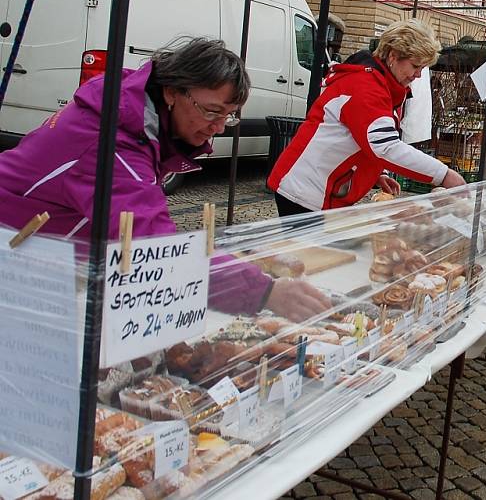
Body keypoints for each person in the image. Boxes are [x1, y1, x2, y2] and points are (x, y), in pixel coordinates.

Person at [0, 38, 329, 321]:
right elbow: (157, 248)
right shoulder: (111, 144)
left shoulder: (137, 122)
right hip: (15, 253)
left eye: (228, 117)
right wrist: (264, 292)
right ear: (172, 92)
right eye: (211, 111)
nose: (217, 126)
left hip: (44, 255)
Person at [268, 18, 466, 215]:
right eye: (415, 66)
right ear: (393, 56)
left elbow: (364, 137)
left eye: (422, 68)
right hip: (306, 191)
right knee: (307, 246)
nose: (418, 76)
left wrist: (377, 172)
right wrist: (443, 174)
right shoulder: (365, 86)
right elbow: (385, 146)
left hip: (319, 189)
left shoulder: (383, 85)